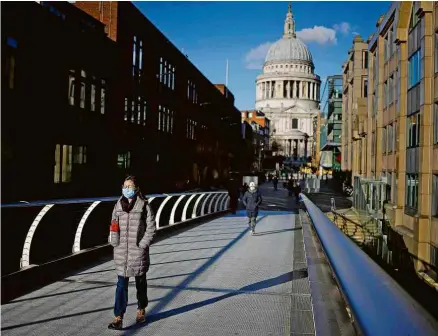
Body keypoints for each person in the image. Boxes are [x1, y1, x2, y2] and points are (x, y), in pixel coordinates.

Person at [108, 176, 156, 330]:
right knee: (121, 285)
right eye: (125, 186)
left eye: (130, 186)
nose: (127, 189)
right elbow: (114, 225)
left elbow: (151, 228)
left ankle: (141, 310)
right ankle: (118, 317)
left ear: (136, 189)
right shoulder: (118, 205)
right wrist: (114, 241)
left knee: (140, 283)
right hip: (122, 251)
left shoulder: (144, 206)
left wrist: (142, 245)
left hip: (138, 252)